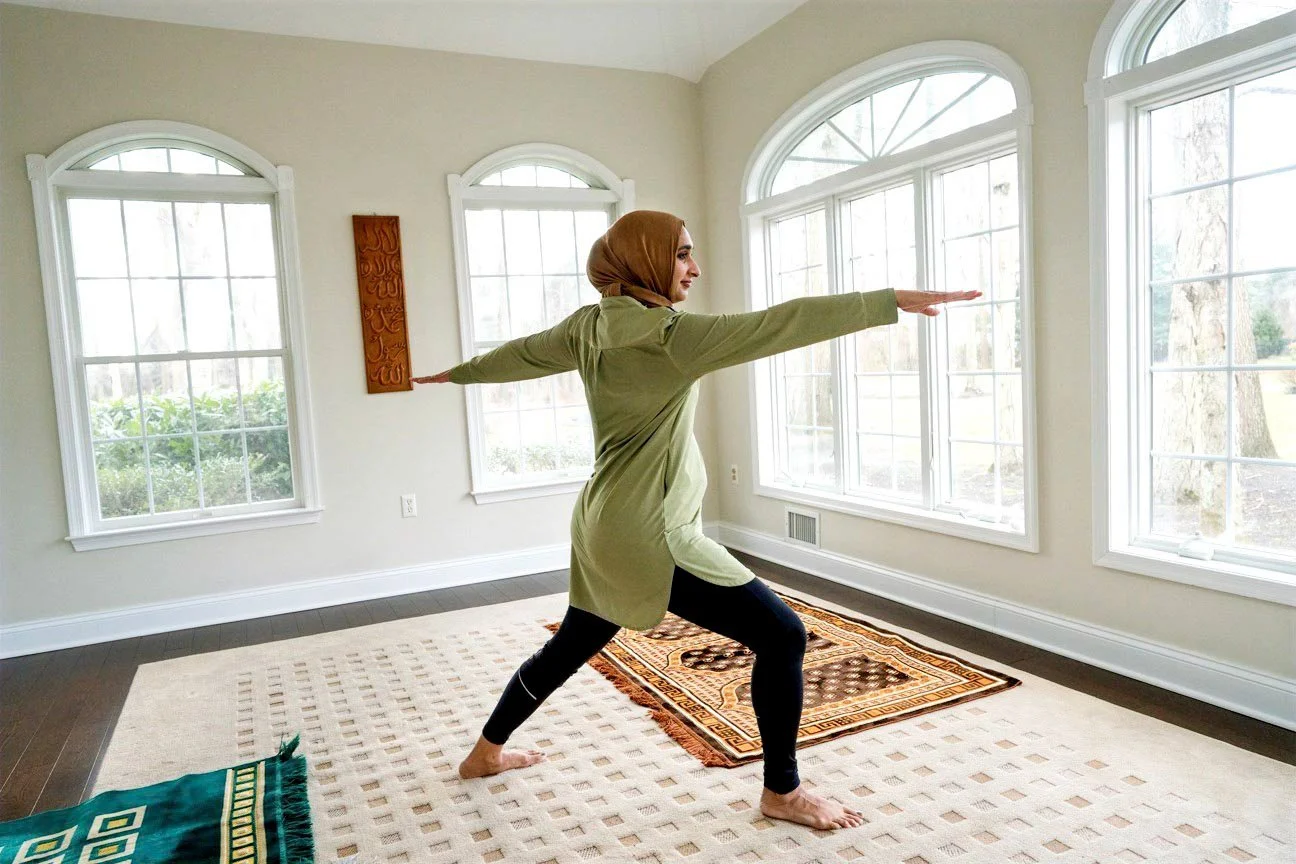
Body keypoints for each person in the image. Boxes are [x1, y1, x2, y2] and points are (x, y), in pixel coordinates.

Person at [414, 210, 980, 830]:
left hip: (600, 520)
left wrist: (458, 373)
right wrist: (887, 300)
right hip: (653, 531)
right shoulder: (671, 336)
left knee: (573, 643)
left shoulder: (587, 325)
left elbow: (522, 355)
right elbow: (780, 323)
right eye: (681, 254)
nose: (695, 268)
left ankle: (485, 754)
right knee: (783, 636)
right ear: (645, 260)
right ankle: (783, 792)